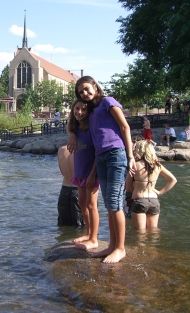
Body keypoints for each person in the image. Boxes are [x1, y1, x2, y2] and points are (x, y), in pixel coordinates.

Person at [67, 75, 135, 264]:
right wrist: (71, 133)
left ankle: (120, 248)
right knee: (109, 204)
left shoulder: (107, 102)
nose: (85, 93)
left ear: (96, 87)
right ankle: (112, 246)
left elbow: (124, 127)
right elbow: (73, 122)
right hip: (101, 156)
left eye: (87, 89)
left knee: (115, 202)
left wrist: (130, 156)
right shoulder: (92, 109)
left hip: (115, 154)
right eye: (81, 92)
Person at [68, 99, 100, 250]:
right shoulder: (74, 128)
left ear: (89, 112)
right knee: (81, 203)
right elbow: (69, 126)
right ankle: (88, 233)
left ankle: (94, 239)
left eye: (83, 109)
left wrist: (93, 174)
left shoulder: (92, 129)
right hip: (80, 171)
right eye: (77, 109)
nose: (79, 112)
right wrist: (72, 136)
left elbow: (98, 153)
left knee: (91, 205)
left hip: (91, 172)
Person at [125, 140, 177, 230]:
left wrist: (137, 189)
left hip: (139, 200)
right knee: (153, 231)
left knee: (140, 233)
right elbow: (173, 180)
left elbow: (128, 188)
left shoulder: (135, 165)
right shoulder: (158, 165)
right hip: (154, 201)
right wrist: (160, 192)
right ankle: (152, 245)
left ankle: (140, 245)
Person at [57, 146, 85, 227]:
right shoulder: (83, 149)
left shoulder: (61, 150)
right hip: (79, 190)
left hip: (64, 190)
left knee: (64, 226)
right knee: (81, 226)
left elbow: (62, 172)